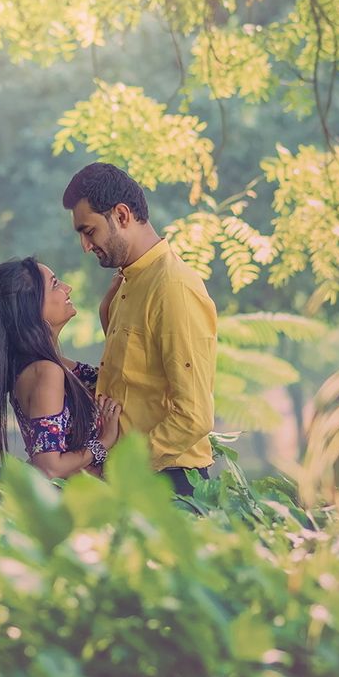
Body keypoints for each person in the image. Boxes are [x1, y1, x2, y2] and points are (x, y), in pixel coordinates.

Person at [62, 162, 216, 498]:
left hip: (171, 484)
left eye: (89, 231)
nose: (85, 246)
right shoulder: (125, 285)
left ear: (121, 215)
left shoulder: (173, 287)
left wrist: (123, 468)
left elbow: (194, 416)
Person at [0, 256, 122, 478]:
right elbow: (49, 467)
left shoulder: (53, 367)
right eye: (55, 284)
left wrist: (107, 311)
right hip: (76, 507)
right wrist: (103, 442)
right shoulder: (45, 372)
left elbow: (111, 379)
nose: (68, 288)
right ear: (32, 307)